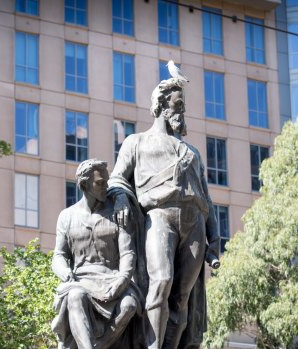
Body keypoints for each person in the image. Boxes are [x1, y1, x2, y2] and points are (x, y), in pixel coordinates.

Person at [109, 78, 221, 349]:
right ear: (161, 105)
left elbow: (207, 200)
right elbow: (116, 179)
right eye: (178, 104)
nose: (182, 111)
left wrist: (215, 241)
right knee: (161, 281)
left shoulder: (192, 153)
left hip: (194, 222)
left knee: (182, 297)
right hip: (158, 217)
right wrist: (122, 197)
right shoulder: (136, 142)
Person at [52, 159, 142, 349]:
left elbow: (128, 253)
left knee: (130, 305)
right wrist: (65, 274)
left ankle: (98, 345)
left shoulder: (118, 214)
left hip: (113, 278)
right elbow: (59, 255)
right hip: (81, 279)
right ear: (84, 184)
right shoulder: (66, 216)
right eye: (100, 183)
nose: (106, 187)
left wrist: (122, 280)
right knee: (75, 296)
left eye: (106, 182)